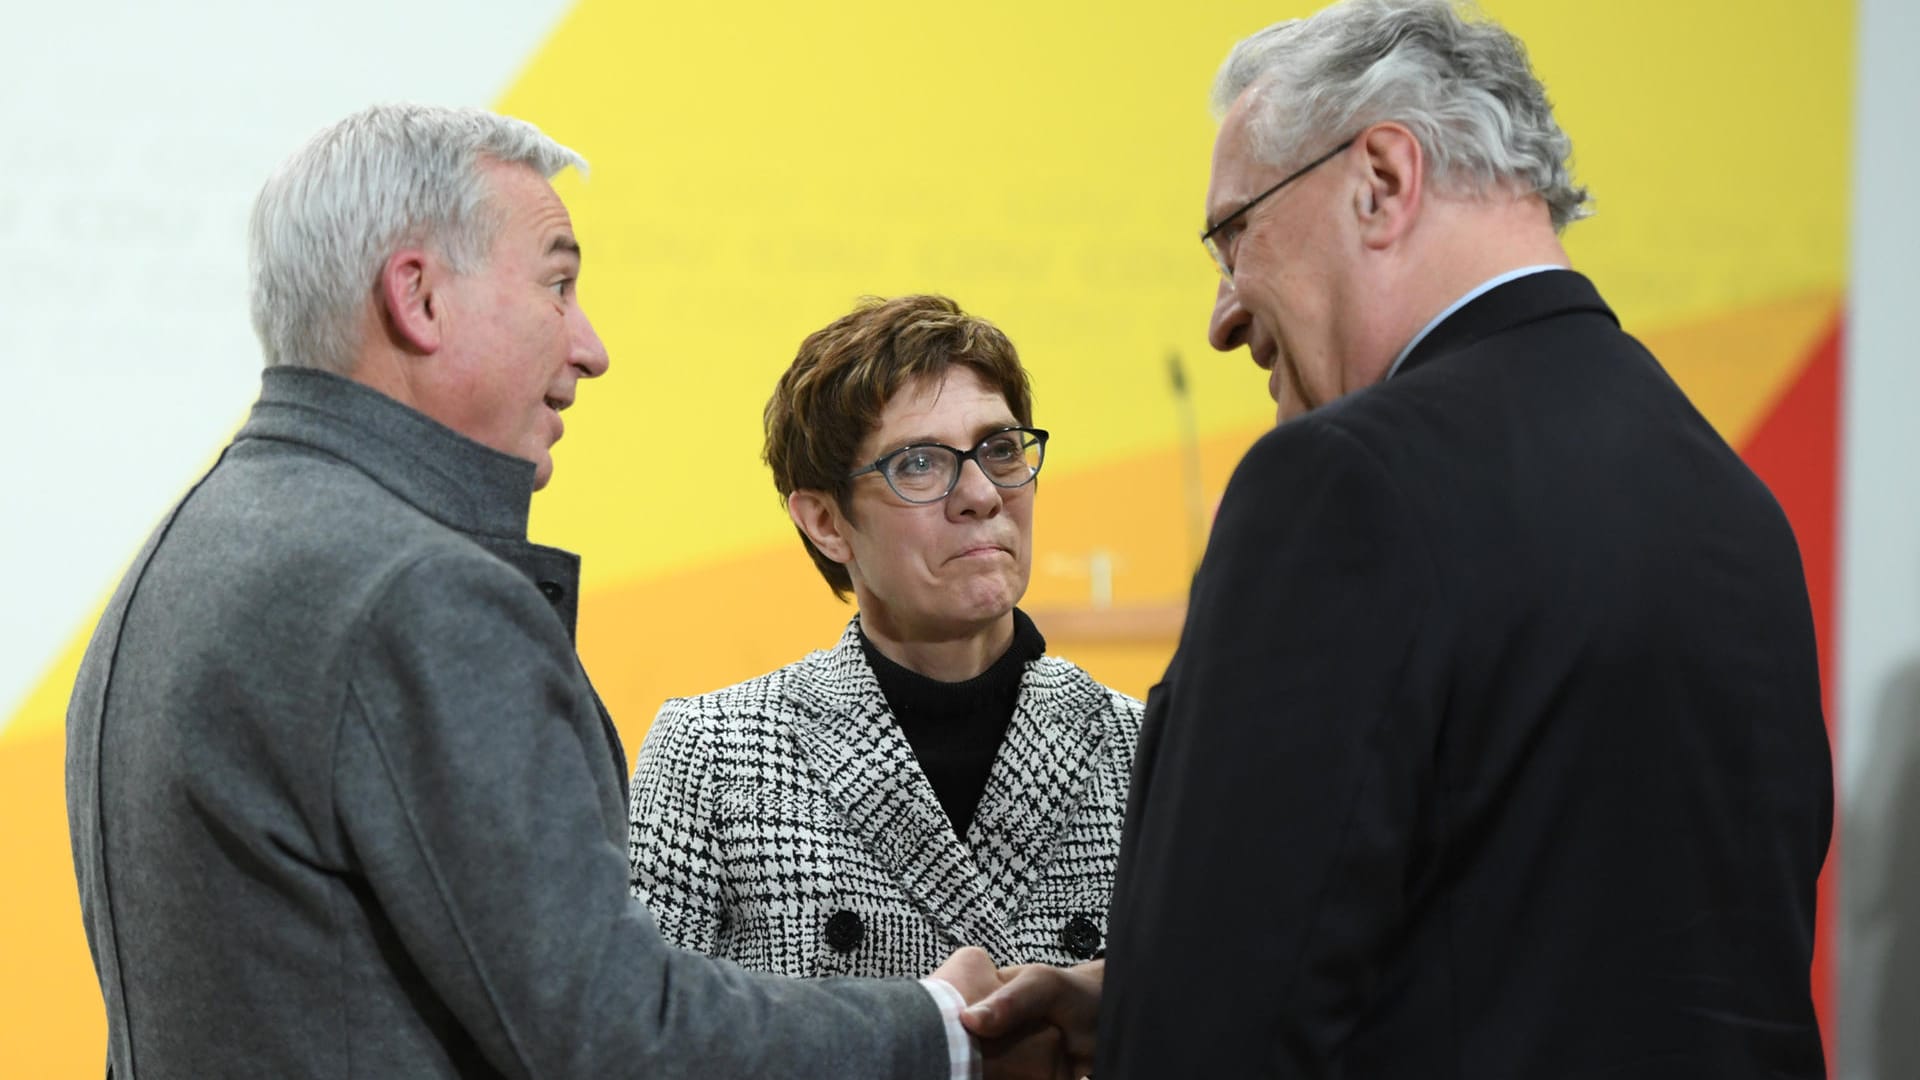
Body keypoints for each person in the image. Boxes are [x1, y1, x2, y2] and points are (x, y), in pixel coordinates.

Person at [63, 103, 1093, 1079]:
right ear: (419, 297)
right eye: (558, 285)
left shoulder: (186, 549)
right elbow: (615, 1036)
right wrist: (933, 1033)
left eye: (1000, 451)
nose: (589, 347)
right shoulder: (419, 596)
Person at [1096, 1, 1834, 1076]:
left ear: (1382, 180)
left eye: (1233, 235)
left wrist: (1140, 1011)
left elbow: (1211, 1034)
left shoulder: (1340, 487)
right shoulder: (1736, 509)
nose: (1222, 316)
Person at [627, 295, 1143, 982]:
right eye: (921, 464)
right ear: (826, 522)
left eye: (1000, 449)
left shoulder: (1141, 750)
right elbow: (643, 1045)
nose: (983, 494)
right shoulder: (714, 755)